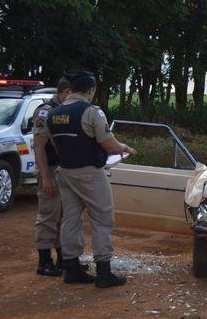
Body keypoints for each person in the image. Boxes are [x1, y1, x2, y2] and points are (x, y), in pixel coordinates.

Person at [33, 71, 136, 287]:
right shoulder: (92, 111)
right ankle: (104, 271)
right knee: (102, 218)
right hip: (90, 173)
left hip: (65, 172)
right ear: (90, 90)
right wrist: (125, 148)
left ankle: (71, 268)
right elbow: (109, 144)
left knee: (70, 218)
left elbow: (48, 144)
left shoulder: (52, 113)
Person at [32, 77, 71, 276]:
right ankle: (44, 261)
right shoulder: (45, 111)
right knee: (49, 215)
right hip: (51, 169)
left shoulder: (65, 110)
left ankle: (64, 259)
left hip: (65, 170)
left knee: (65, 216)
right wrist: (46, 177)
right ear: (65, 91)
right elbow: (38, 147)